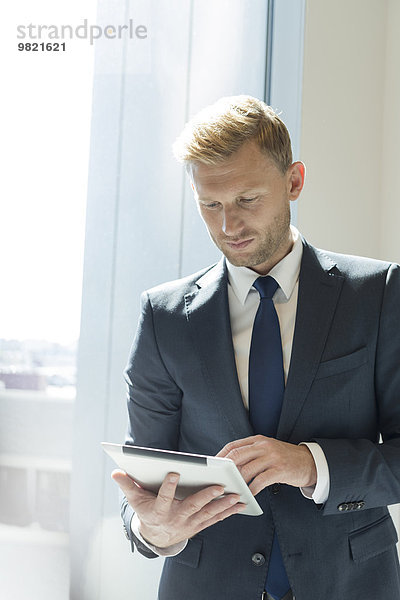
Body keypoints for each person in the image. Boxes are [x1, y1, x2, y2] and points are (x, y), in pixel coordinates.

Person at [112, 95, 400, 600]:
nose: (229, 226)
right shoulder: (163, 317)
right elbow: (148, 483)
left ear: (294, 182)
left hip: (350, 583)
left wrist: (309, 465)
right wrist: (152, 532)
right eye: (211, 205)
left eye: (248, 199)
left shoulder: (378, 295)